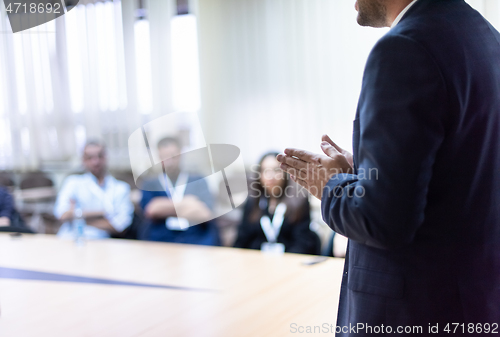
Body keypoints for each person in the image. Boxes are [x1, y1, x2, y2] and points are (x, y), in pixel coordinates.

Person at [277, 0, 500, 334]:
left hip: (415, 314)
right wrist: (367, 172)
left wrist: (331, 185)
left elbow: (383, 221)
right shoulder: (485, 38)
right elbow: (458, 173)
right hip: (475, 302)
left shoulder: (404, 48)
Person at [234, 152, 320, 255]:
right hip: (257, 262)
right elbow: (242, 240)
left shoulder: (299, 202)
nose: (271, 176)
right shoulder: (252, 203)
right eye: (265, 171)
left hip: (290, 261)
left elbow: (303, 243)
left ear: (285, 173)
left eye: (276, 170)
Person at [140, 137, 220, 245]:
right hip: (162, 240)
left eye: (173, 156)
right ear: (159, 157)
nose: (170, 162)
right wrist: (188, 203)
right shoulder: (151, 183)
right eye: (165, 157)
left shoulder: (198, 180)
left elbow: (205, 214)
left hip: (195, 239)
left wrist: (164, 207)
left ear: (181, 154)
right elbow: (152, 210)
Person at [54, 140, 134, 239]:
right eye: (90, 158)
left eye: (100, 156)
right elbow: (62, 215)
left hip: (102, 243)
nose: (96, 162)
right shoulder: (72, 182)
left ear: (106, 157)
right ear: (83, 160)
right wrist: (104, 213)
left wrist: (76, 216)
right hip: (68, 239)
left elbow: (120, 227)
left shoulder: (121, 188)